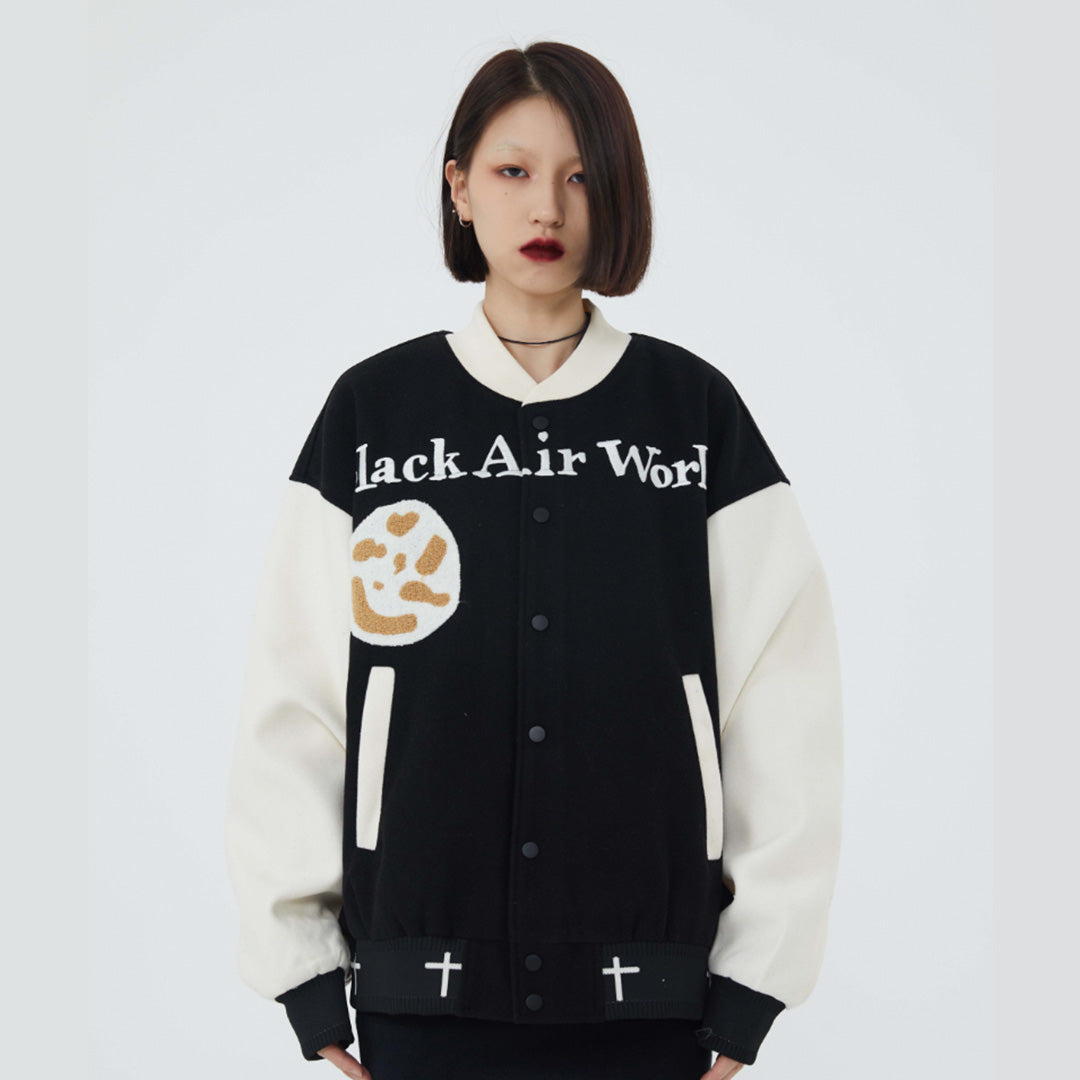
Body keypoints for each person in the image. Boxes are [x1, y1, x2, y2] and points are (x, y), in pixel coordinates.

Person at [224, 40, 844, 1080]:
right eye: (513, 171)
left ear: (620, 192)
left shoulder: (691, 418)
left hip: (649, 1004)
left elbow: (783, 702)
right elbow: (297, 700)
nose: (546, 206)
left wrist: (755, 984)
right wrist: (302, 968)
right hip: (421, 996)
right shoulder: (374, 416)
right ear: (460, 188)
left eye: (581, 176)